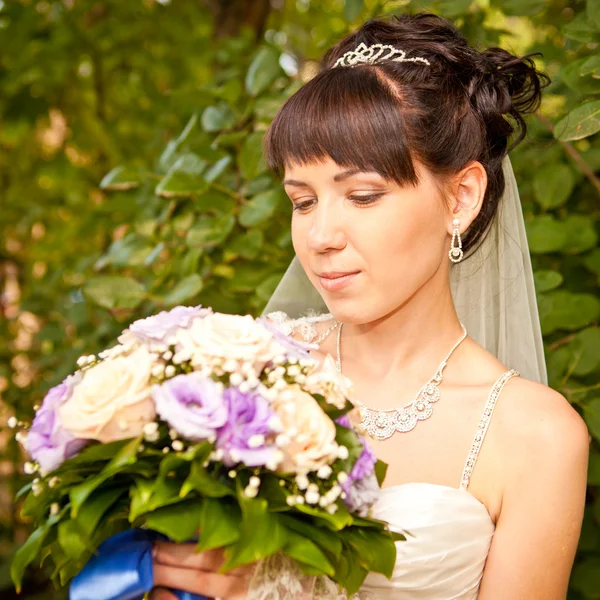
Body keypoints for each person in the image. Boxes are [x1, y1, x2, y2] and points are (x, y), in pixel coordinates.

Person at [150, 12, 590, 600]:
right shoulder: (237, 378)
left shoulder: (539, 435)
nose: (320, 235)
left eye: (362, 195)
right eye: (302, 202)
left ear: (460, 197)